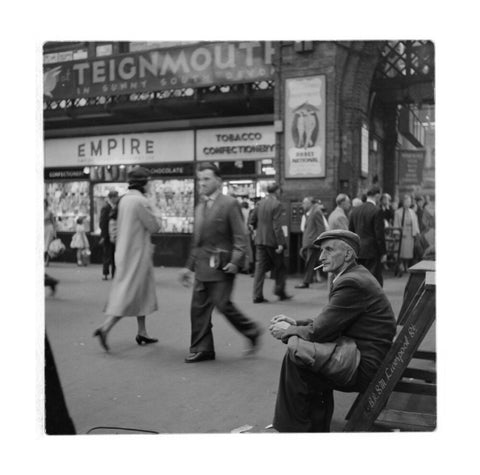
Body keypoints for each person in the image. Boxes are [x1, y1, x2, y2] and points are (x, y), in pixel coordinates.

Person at [269, 229, 396, 432]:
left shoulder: (351, 283)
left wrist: (288, 331)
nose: (321, 256)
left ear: (347, 254)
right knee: (305, 356)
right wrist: (296, 322)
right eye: (321, 251)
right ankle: (310, 428)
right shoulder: (354, 275)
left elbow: (320, 331)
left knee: (298, 359)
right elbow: (332, 320)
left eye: (328, 250)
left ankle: (294, 430)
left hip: (364, 364)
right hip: (365, 354)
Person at [179, 163, 262, 363]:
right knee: (198, 309)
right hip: (201, 266)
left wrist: (235, 261)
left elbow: (240, 237)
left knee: (223, 305)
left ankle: (252, 331)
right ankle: (202, 348)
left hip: (222, 267)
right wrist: (188, 268)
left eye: (207, 179)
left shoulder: (229, 203)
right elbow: (197, 242)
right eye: (201, 179)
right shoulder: (199, 208)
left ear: (218, 180)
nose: (203, 183)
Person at [93, 167, 160, 352]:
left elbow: (114, 224)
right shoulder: (141, 201)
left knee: (141, 292)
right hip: (137, 255)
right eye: (149, 181)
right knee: (129, 293)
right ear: (144, 183)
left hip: (125, 252)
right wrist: (153, 204)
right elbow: (155, 226)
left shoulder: (124, 200)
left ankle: (142, 332)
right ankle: (105, 328)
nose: (151, 184)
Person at [249, 182, 291, 303]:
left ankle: (257, 295)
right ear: (277, 191)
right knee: (280, 266)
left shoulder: (260, 203)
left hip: (260, 240)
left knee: (260, 268)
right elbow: (276, 225)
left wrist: (255, 229)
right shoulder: (277, 204)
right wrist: (280, 243)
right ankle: (280, 291)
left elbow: (252, 220)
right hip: (272, 241)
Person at [349, 185, 387, 286]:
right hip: (372, 250)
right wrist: (383, 252)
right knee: (374, 280)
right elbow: (379, 234)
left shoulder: (355, 211)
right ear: (377, 195)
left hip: (358, 250)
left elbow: (350, 232)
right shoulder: (377, 211)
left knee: (360, 279)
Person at [295, 197, 327, 289]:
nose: (302, 205)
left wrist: (319, 241)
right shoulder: (311, 212)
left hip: (313, 243)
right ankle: (309, 280)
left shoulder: (316, 212)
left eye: (304, 203)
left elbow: (321, 228)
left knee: (310, 262)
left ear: (310, 203)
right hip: (311, 242)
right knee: (313, 262)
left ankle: (306, 281)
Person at [393, 194, 420, 272]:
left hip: (410, 234)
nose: (408, 203)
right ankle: (401, 265)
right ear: (403, 202)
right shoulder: (398, 212)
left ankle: (406, 265)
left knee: (408, 253)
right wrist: (397, 233)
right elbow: (396, 223)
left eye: (409, 201)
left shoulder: (412, 212)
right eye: (407, 201)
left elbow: (415, 223)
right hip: (402, 234)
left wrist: (416, 233)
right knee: (401, 251)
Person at [99, 190, 120, 280]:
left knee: (114, 255)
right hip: (107, 235)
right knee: (107, 254)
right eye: (116, 197)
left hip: (114, 234)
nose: (117, 198)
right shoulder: (106, 207)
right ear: (111, 198)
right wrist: (104, 236)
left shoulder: (116, 207)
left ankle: (114, 273)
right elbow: (102, 222)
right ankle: (105, 273)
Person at [44, 198, 57, 266]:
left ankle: (47, 260)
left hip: (49, 229)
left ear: (46, 204)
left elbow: (53, 222)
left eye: (44, 203)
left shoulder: (49, 212)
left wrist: (55, 232)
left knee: (47, 245)